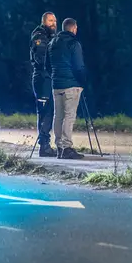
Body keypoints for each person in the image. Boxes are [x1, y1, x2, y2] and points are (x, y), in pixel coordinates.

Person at [46, 17, 87, 159]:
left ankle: (59, 146)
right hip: (71, 84)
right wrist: (82, 81)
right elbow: (79, 66)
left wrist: (55, 76)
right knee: (69, 116)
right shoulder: (74, 43)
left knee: (58, 116)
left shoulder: (52, 43)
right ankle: (66, 147)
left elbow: (47, 65)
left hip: (56, 85)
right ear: (74, 28)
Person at [29, 12, 58, 157]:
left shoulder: (51, 36)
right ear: (44, 21)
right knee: (45, 111)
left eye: (55, 21)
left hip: (47, 77)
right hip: (42, 78)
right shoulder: (39, 36)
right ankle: (44, 146)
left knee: (49, 110)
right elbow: (41, 58)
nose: (54, 23)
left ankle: (46, 143)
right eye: (51, 21)